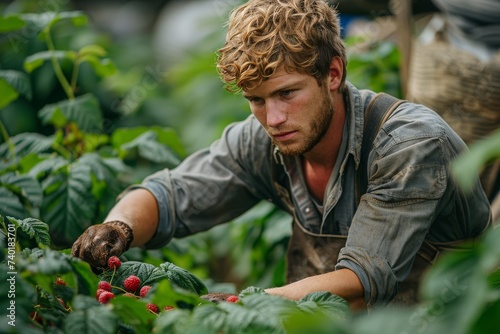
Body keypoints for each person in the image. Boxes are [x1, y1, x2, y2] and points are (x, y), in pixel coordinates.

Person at [71, 0, 492, 310]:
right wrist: (118, 226)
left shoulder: (408, 144)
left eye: (287, 93)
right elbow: (173, 194)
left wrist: (233, 306)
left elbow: (362, 279)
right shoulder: (269, 140)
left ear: (333, 73)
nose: (272, 118)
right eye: (256, 100)